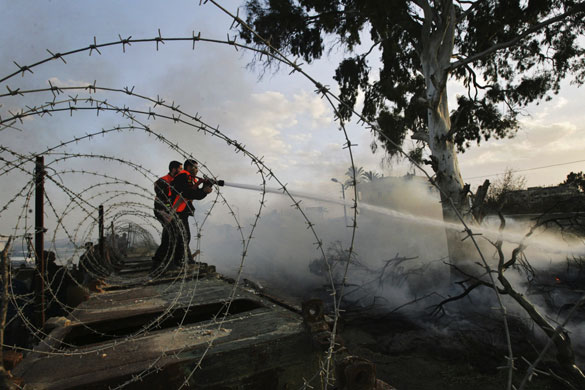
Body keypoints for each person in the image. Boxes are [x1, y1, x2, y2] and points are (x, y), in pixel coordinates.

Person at [170, 159, 212, 266]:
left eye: (197, 168)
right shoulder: (184, 176)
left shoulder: (189, 178)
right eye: (195, 167)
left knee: (184, 236)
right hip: (176, 210)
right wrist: (203, 191)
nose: (197, 170)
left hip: (181, 211)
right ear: (188, 167)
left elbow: (195, 193)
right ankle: (179, 261)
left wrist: (205, 188)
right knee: (183, 236)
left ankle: (186, 260)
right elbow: (188, 193)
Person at [151, 160, 183, 270]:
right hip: (163, 211)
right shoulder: (164, 181)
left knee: (172, 235)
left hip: (170, 211)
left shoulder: (175, 181)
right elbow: (162, 198)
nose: (181, 171)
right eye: (180, 168)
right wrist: (164, 213)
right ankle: (162, 262)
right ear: (174, 169)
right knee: (170, 235)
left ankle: (164, 261)